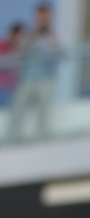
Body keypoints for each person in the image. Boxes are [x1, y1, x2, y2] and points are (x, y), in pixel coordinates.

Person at [7, 3, 58, 144]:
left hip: (45, 79)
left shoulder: (54, 35)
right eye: (40, 17)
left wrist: (51, 39)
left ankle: (44, 140)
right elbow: (18, 51)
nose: (43, 20)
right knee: (18, 109)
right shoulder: (29, 34)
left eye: (45, 17)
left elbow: (60, 54)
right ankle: (12, 139)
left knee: (44, 111)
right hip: (27, 79)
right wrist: (33, 36)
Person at [0, 22, 24, 110]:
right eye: (15, 35)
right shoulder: (2, 45)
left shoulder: (22, 49)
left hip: (12, 88)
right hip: (1, 86)